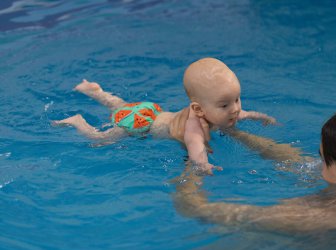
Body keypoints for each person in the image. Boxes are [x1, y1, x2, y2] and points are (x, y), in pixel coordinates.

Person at [53, 57, 290, 173]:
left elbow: (244, 114)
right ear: (198, 110)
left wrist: (261, 117)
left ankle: (96, 91)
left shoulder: (225, 111)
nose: (236, 109)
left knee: (119, 105)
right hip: (140, 125)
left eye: (237, 99)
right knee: (100, 140)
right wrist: (203, 166)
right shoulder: (193, 127)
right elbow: (196, 151)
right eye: (226, 105)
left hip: (149, 110)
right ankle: (78, 121)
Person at [174, 104, 336, 233]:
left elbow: (196, 210)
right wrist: (234, 132)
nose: (318, 165)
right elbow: (292, 160)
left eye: (323, 159)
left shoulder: (314, 218)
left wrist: (192, 153)